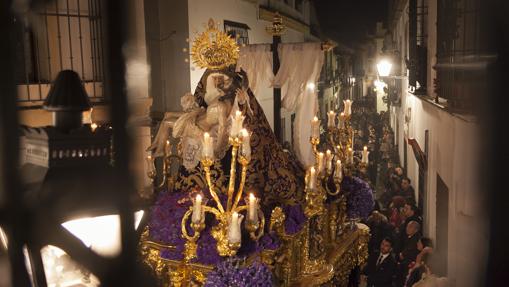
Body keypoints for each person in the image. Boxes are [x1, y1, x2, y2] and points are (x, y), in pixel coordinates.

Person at [396, 221, 421, 287]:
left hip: (409, 265)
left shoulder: (416, 239)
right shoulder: (410, 237)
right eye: (407, 226)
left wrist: (402, 254)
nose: (407, 228)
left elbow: (411, 251)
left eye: (410, 227)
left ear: (416, 230)